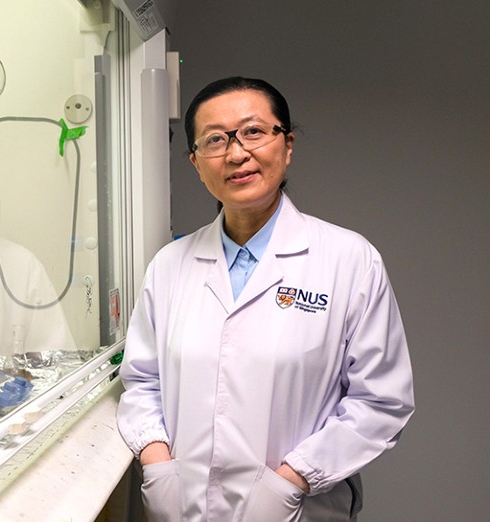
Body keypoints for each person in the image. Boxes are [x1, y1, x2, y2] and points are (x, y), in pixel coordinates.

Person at [116, 76, 415, 521]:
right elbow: (143, 381)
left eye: (253, 132)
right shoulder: (169, 265)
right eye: (215, 141)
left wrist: (293, 479)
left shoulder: (350, 260)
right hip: (183, 509)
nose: (236, 153)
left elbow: (380, 400)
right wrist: (158, 465)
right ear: (197, 164)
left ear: (287, 145)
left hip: (296, 510)